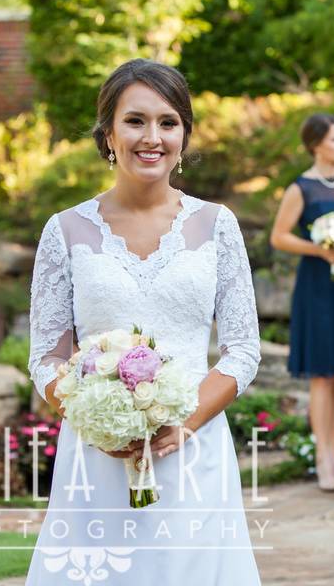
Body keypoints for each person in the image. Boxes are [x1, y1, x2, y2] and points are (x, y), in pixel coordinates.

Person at [26, 59, 261, 584]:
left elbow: (243, 349)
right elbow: (46, 355)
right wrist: (99, 421)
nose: (151, 137)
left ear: (184, 135)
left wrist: (184, 423)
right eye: (135, 121)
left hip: (193, 452)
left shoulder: (217, 225)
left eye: (168, 122)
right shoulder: (63, 230)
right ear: (108, 132)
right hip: (97, 456)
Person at [270, 113, 334, 492]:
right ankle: (322, 457)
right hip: (316, 285)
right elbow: (279, 237)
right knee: (322, 373)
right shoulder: (301, 188)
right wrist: (319, 248)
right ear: (317, 145)